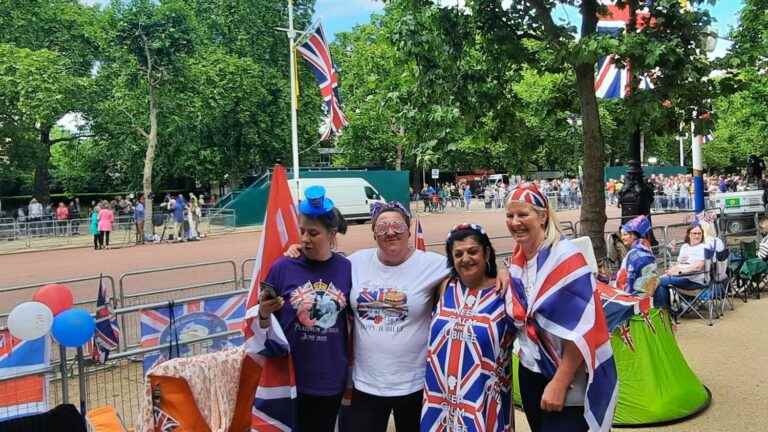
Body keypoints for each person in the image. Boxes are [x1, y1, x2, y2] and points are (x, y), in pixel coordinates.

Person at [504, 182, 617, 432]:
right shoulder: (519, 262)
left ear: (543, 216)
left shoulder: (566, 260)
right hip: (531, 370)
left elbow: (582, 328)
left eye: (523, 214)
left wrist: (560, 381)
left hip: (567, 375)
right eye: (510, 215)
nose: (514, 222)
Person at [252, 185, 351, 432]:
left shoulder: (348, 269)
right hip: (290, 379)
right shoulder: (283, 267)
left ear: (332, 234)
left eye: (313, 233)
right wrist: (263, 312)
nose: (305, 238)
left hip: (330, 378)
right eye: (302, 231)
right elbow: (260, 325)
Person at [420, 223, 515, 431]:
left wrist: (504, 270)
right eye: (458, 254)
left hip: (484, 399)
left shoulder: (505, 291)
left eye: (473, 251)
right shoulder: (445, 287)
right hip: (440, 398)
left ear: (487, 252)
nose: (465, 259)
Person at [654, 224, 708, 313]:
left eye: (699, 233)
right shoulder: (685, 247)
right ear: (689, 234)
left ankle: (662, 311)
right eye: (694, 233)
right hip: (681, 276)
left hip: (693, 279)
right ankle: (665, 311)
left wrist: (679, 271)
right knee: (660, 286)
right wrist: (671, 270)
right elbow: (679, 263)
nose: (697, 236)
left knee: (658, 282)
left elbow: (698, 266)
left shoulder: (703, 248)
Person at [615, 215, 658, 296]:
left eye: (625, 234)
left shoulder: (633, 254)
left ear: (633, 235)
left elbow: (629, 278)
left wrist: (624, 293)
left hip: (636, 296)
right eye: (622, 235)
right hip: (649, 293)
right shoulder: (647, 248)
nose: (622, 237)